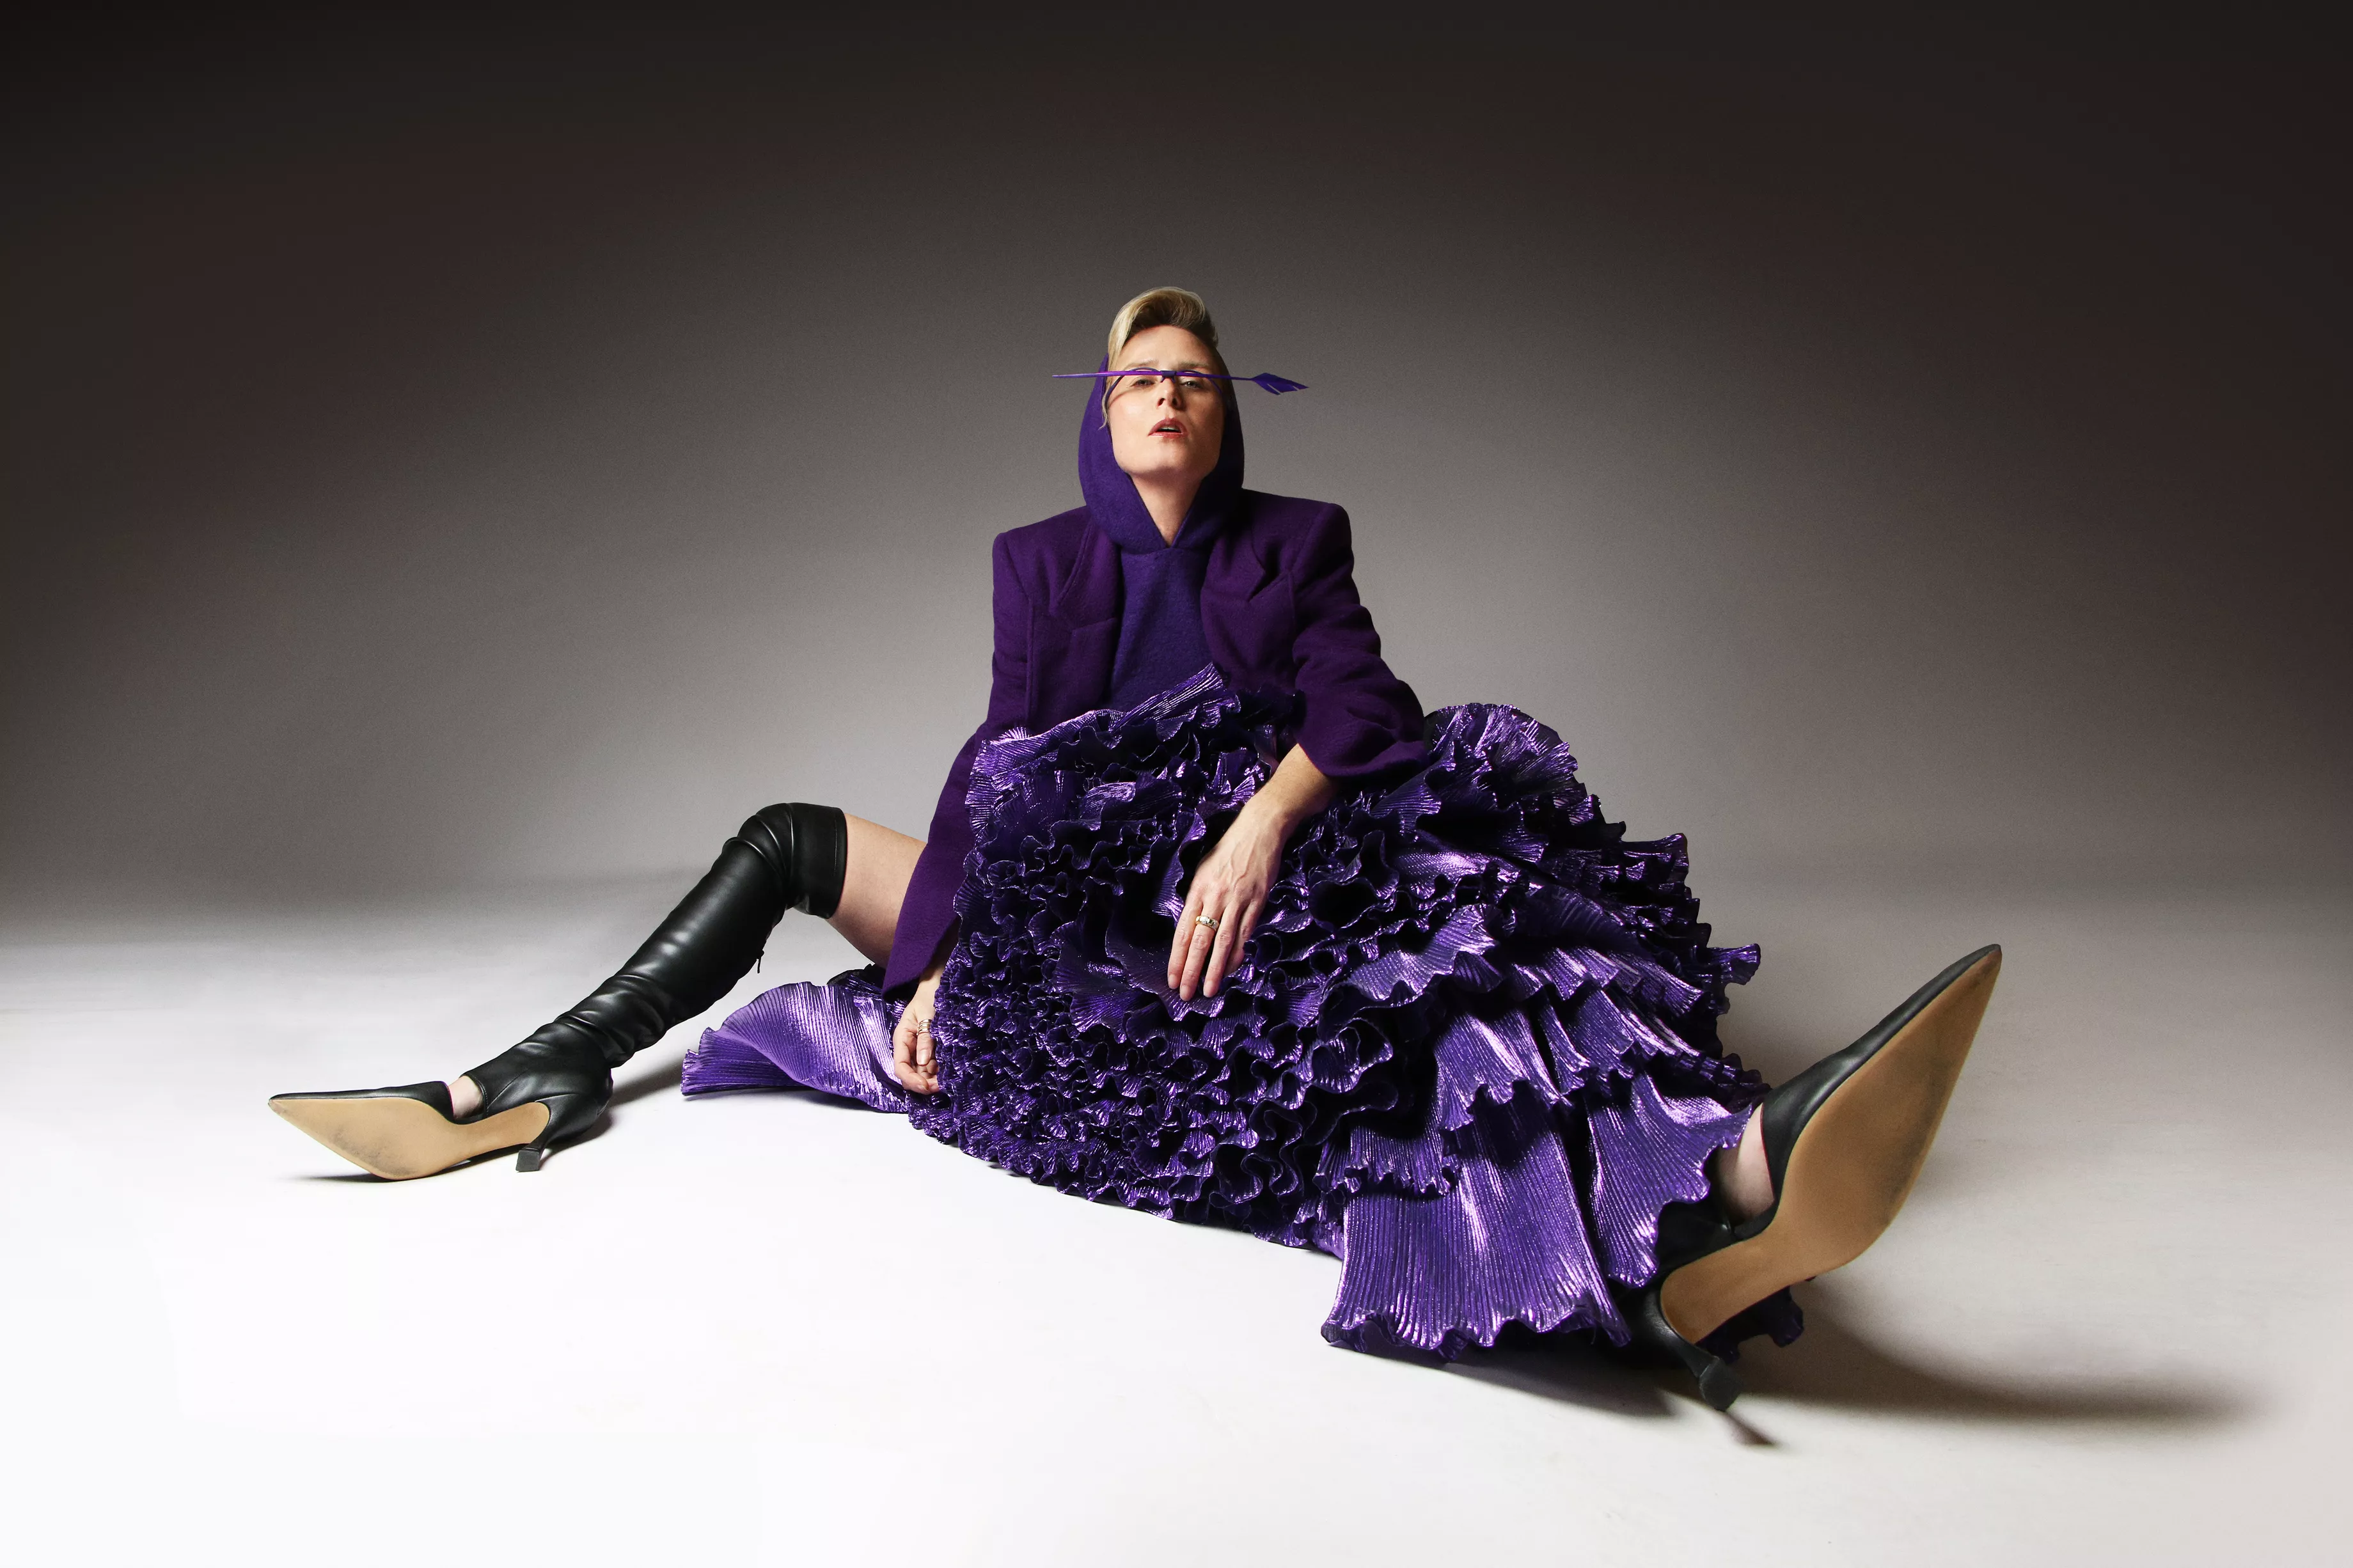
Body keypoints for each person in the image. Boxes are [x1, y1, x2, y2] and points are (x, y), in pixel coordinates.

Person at [272, 287, 2000, 1411]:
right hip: (1063, 914)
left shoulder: (1295, 541)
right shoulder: (1038, 561)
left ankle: (1718, 1187)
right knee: (790, 837)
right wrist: (939, 958)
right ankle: (529, 1078)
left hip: (1250, 887)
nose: (1166, 396)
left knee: (1448, 953)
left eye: (1193, 379)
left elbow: (1365, 703)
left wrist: (1258, 820)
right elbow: (997, 760)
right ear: (1100, 412)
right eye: (1138, 377)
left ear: (1226, 417)